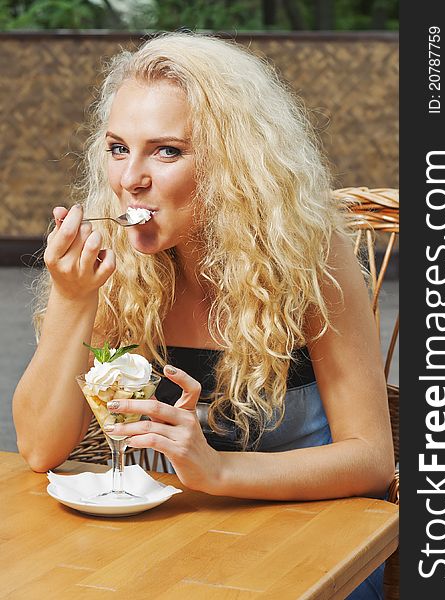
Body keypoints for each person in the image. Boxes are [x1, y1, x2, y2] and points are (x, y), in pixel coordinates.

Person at [13, 32, 394, 598]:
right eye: (118, 148)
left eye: (166, 151)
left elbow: (370, 458)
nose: (129, 179)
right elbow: (42, 449)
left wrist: (216, 471)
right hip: (168, 535)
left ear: (233, 163)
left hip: (309, 540)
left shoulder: (310, 255)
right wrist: (74, 302)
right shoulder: (117, 264)